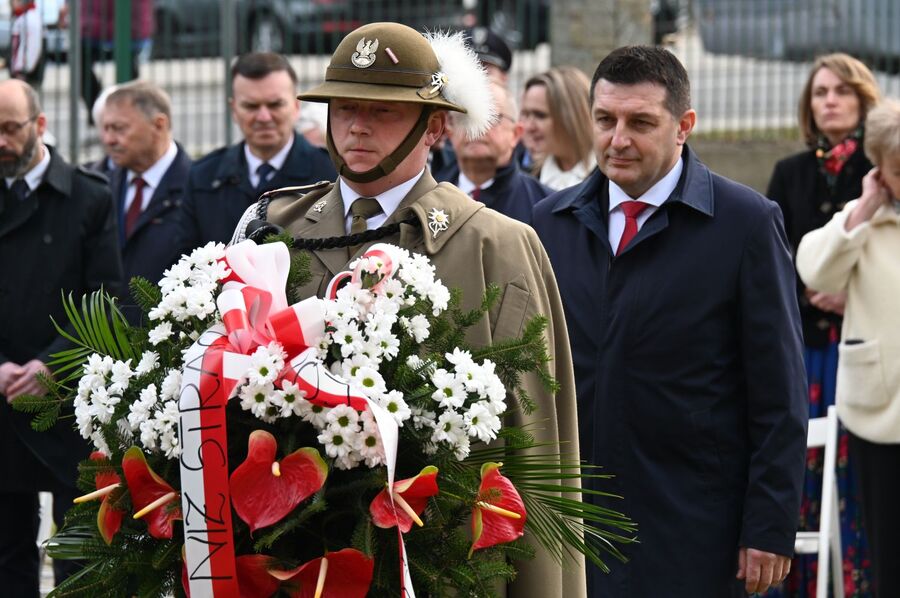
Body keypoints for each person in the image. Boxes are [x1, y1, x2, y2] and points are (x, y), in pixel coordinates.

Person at [233, 22, 584, 598]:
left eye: (385, 110)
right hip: (289, 567)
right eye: (343, 107)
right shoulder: (273, 228)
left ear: (436, 126)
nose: (357, 125)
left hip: (443, 565)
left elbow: (533, 447)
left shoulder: (494, 245)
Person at [532, 45, 808, 597]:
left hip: (696, 528)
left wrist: (770, 526)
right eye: (605, 120)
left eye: (641, 123)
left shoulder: (745, 225)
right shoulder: (547, 224)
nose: (618, 140)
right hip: (572, 526)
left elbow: (780, 392)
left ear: (684, 126)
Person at [0, 79, 121, 596]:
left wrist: (52, 365)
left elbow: (107, 297)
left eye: (10, 129)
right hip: (2, 396)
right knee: (6, 553)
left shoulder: (89, 198)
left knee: (77, 549)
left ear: (40, 125)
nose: (1, 142)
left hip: (69, 399)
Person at [765, 52, 880, 598]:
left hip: (862, 344)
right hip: (805, 344)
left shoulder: (882, 172)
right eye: (819, 92)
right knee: (803, 468)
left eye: (841, 91)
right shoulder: (790, 172)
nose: (829, 100)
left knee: (859, 472)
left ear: (862, 100)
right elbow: (771, 260)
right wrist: (812, 294)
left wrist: (850, 293)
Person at [796, 99, 900, 598]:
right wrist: (863, 209)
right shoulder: (863, 221)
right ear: (880, 171)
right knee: (887, 553)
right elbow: (814, 270)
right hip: (879, 411)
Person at [177, 52, 336, 254]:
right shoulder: (203, 177)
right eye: (251, 106)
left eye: (275, 105)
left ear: (296, 107)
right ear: (234, 109)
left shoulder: (330, 175)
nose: (263, 117)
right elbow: (186, 261)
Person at [98, 80, 190, 323]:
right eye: (105, 128)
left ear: (159, 124)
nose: (108, 139)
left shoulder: (197, 187)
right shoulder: (100, 186)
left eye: (119, 128)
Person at [435, 81, 552, 224]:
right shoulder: (428, 194)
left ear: (516, 134)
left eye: (490, 118)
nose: (476, 128)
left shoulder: (544, 206)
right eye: (465, 117)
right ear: (449, 129)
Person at [59, 0, 154, 125]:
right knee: (80, 64)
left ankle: (126, 114)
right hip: (95, 22)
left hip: (127, 22)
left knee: (128, 74)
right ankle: (101, 111)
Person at [520, 66, 595, 190]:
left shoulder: (609, 180)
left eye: (540, 115)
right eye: (525, 114)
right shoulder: (526, 178)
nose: (528, 126)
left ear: (572, 117)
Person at [8, 0, 45, 90]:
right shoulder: (31, 16)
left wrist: (19, 68)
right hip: (28, 69)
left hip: (23, 72)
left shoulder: (26, 19)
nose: (11, 4)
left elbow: (29, 47)